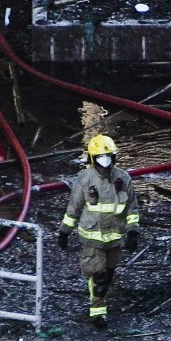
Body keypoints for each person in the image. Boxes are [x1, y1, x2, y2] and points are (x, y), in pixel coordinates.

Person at [58, 134, 140, 330]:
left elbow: (131, 207)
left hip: (115, 238)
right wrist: (64, 232)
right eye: (102, 157)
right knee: (98, 277)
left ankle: (100, 300)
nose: (106, 161)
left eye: (109, 156)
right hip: (92, 238)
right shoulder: (85, 179)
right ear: (93, 158)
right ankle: (98, 313)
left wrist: (133, 232)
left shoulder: (123, 178)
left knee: (109, 275)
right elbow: (74, 208)